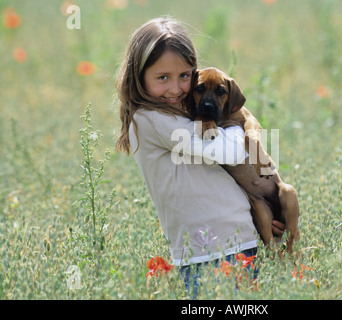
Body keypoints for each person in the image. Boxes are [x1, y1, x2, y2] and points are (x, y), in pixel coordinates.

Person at [115, 17, 285, 297]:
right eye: (162, 78)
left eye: (184, 76)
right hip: (209, 250)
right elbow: (229, 151)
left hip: (238, 237)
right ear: (138, 77)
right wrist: (244, 121)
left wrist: (267, 207)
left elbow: (241, 164)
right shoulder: (152, 120)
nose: (175, 88)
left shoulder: (184, 115)